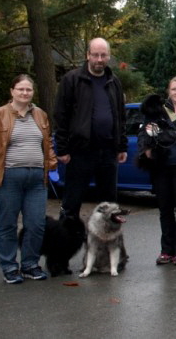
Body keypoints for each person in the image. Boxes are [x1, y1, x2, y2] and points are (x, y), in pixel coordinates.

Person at [0, 75, 57, 284]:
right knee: (7, 224)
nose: (24, 93)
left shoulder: (40, 115)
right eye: (20, 89)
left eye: (28, 90)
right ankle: (10, 267)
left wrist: (52, 166)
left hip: (37, 180)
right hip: (7, 179)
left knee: (36, 224)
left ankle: (30, 264)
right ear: (12, 91)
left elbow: (47, 144)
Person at [54, 37, 127, 219]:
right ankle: (66, 245)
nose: (99, 59)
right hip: (80, 152)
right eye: (95, 55)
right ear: (88, 55)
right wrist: (62, 148)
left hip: (108, 152)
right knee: (72, 202)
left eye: (103, 55)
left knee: (109, 207)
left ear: (109, 56)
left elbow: (120, 115)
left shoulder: (114, 82)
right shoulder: (72, 80)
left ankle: (108, 245)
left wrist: (121, 145)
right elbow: (61, 116)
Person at [137, 77, 176, 266]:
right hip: (161, 167)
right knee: (165, 210)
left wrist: (166, 134)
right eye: (173, 89)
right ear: (168, 91)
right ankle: (166, 250)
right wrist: (146, 148)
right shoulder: (159, 108)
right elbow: (145, 131)